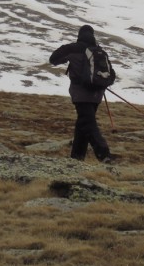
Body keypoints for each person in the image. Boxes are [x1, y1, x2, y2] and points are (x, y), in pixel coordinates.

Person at [49, 25, 115, 163]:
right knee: (83, 123)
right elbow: (111, 74)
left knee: (87, 123)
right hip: (97, 94)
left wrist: (68, 59)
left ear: (79, 35)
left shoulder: (73, 48)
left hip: (80, 93)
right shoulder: (100, 51)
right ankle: (76, 159)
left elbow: (53, 59)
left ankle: (104, 155)